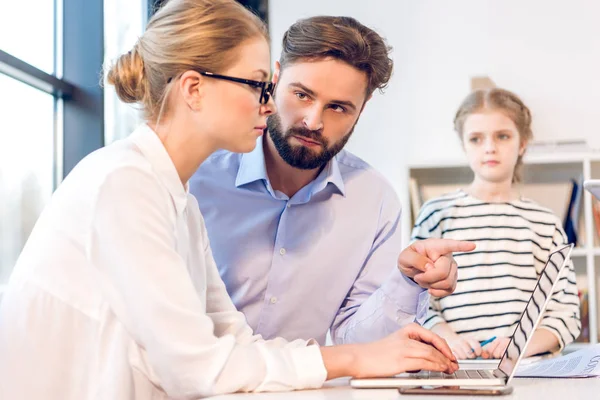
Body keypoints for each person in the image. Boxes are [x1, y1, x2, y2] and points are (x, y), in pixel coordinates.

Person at [0, 1, 459, 399]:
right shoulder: (123, 184)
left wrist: (367, 354)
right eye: (259, 85)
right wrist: (355, 359)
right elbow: (197, 368)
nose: (268, 105)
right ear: (194, 89)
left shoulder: (179, 202)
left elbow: (236, 341)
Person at [189, 15, 475, 346]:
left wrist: (408, 282)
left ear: (362, 110)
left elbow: (357, 344)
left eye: (338, 108)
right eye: (302, 95)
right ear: (276, 78)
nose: (313, 121)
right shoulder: (198, 177)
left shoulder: (375, 200)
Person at [411, 88, 581, 360]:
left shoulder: (545, 223)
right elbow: (414, 299)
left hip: (527, 369)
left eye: (502, 136)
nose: (489, 147)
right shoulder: (437, 213)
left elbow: (566, 313)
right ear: (464, 145)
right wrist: (448, 338)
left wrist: (521, 344)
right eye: (476, 139)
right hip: (454, 365)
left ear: (522, 143)